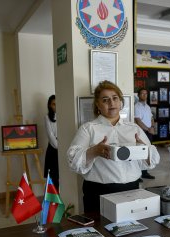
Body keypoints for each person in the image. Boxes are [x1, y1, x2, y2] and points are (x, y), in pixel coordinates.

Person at [67, 81, 160, 214]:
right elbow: (72, 160)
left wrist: (143, 149)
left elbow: (153, 160)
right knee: (101, 232)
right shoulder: (88, 129)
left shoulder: (133, 128)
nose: (111, 103)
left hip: (132, 190)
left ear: (120, 102)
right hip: (98, 192)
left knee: (131, 231)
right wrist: (95, 151)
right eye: (105, 100)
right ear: (98, 105)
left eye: (115, 98)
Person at [134, 87, 156, 180]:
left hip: (148, 131)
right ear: (138, 95)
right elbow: (138, 120)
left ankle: (145, 172)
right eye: (142, 93)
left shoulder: (147, 106)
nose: (144, 95)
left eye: (146, 94)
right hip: (141, 132)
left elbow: (151, 118)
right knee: (139, 152)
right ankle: (137, 174)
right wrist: (148, 129)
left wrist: (152, 127)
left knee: (147, 152)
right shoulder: (136, 106)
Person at [44, 95, 59, 189]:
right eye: (53, 104)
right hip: (53, 149)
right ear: (50, 105)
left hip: (64, 146)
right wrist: (58, 146)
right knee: (54, 176)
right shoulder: (47, 117)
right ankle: (55, 201)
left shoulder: (63, 115)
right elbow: (50, 135)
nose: (56, 106)